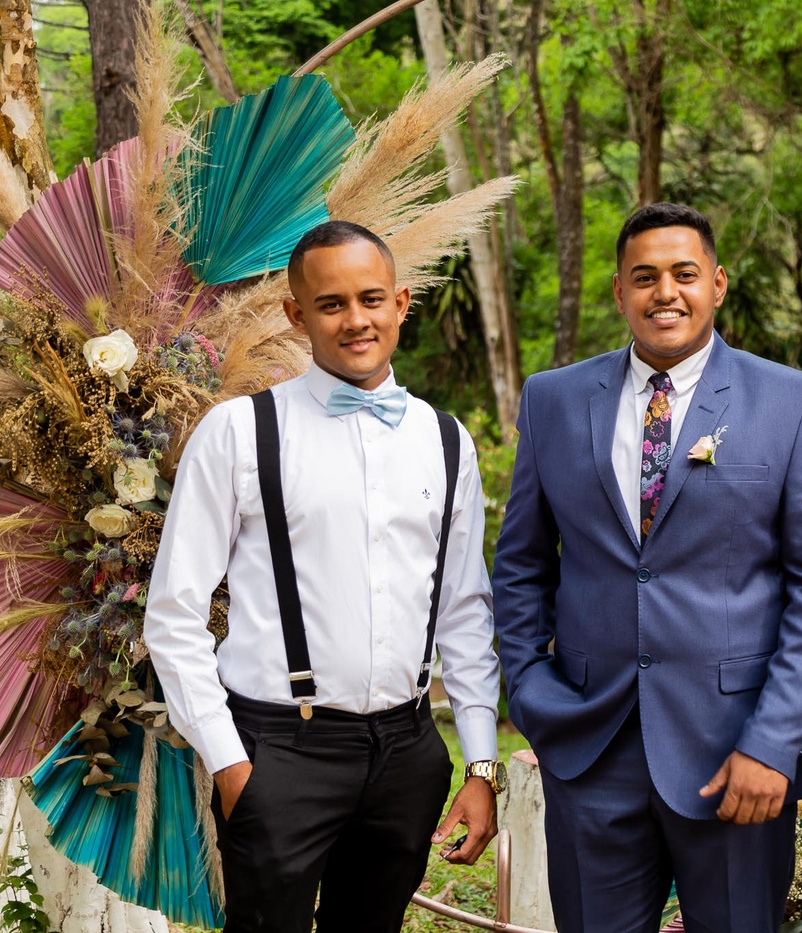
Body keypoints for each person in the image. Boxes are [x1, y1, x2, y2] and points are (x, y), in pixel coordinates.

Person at [492, 202, 802, 933]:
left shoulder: (792, 401)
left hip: (736, 754)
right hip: (589, 750)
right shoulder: (554, 400)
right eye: (645, 276)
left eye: (684, 274)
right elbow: (522, 566)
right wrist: (531, 692)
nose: (666, 293)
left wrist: (771, 740)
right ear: (619, 290)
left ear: (716, 284)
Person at [144, 221, 503, 933]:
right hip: (280, 750)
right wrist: (231, 764)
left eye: (371, 298)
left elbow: (464, 611)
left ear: (401, 302)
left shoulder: (445, 439)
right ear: (295, 314)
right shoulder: (239, 432)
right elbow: (173, 615)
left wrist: (481, 764)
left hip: (407, 753)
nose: (355, 320)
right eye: (331, 303)